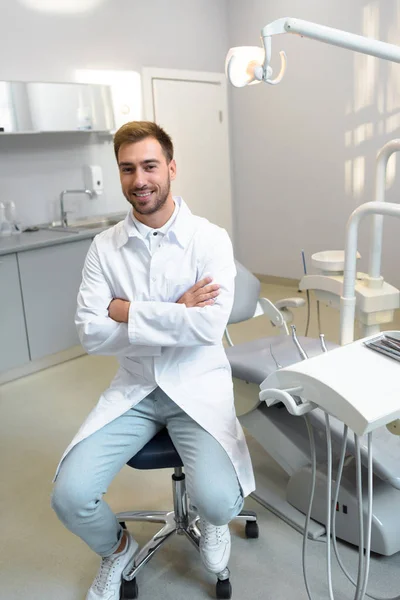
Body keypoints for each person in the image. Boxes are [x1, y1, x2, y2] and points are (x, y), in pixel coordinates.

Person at [51, 121, 255, 600]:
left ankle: (214, 522)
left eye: (149, 166)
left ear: (171, 168)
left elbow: (207, 328)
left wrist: (126, 313)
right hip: (137, 388)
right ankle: (118, 549)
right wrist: (175, 312)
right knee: (70, 497)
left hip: (196, 385)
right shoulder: (105, 248)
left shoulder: (210, 239)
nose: (139, 179)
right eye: (127, 169)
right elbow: (91, 334)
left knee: (220, 501)